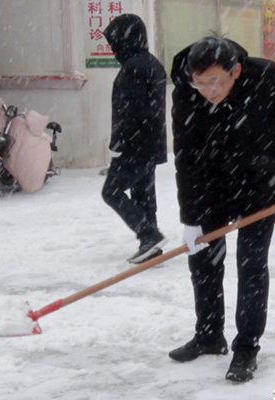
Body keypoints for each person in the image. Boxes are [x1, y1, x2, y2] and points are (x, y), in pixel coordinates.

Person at [168, 35, 275, 382]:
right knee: (203, 262)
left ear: (236, 71)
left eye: (215, 82)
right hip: (211, 188)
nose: (208, 92)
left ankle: (246, 347)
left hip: (260, 186)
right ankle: (210, 335)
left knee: (251, 263)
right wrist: (191, 219)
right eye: (201, 84)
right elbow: (185, 156)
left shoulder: (264, 76)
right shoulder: (185, 89)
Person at [101, 14, 168, 264]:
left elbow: (130, 112)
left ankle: (149, 235)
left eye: (114, 43)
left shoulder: (134, 68)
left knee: (111, 191)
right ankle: (150, 244)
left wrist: (119, 145)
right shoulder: (150, 63)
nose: (113, 49)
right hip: (150, 144)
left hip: (134, 146)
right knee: (143, 193)